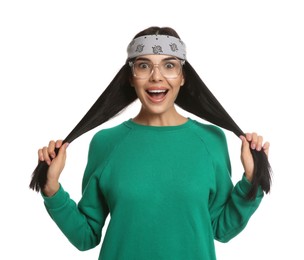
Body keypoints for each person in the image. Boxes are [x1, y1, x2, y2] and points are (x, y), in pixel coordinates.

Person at [37, 26, 271, 260]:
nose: (156, 76)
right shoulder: (105, 143)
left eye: (169, 65)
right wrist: (51, 189)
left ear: (182, 76)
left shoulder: (211, 140)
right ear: (131, 77)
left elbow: (221, 229)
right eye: (144, 65)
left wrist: (252, 180)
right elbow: (86, 236)